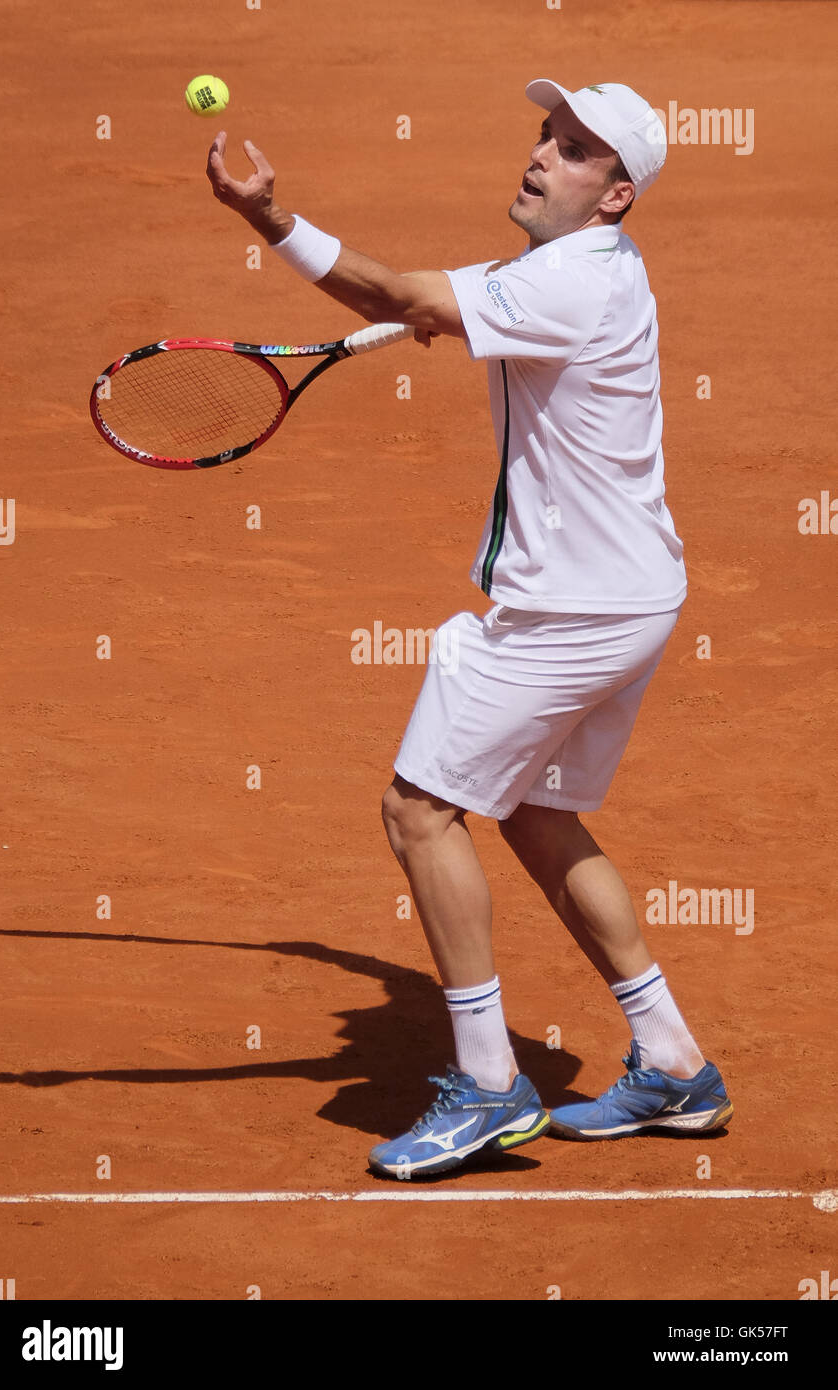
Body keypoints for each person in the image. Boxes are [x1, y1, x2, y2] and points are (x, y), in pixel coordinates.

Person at [206, 78, 733, 1181]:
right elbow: (410, 302)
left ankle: (490, 1087)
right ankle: (673, 1060)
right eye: (546, 134)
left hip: (569, 610)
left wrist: (265, 218)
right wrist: (417, 303)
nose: (543, 154)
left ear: (615, 194)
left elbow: (396, 291)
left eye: (575, 149)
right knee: (539, 817)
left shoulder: (562, 287)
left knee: (419, 808)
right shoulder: (581, 271)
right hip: (632, 593)